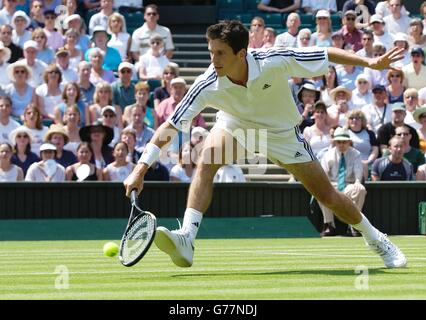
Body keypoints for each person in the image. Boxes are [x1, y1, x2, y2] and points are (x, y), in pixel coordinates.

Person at [124, 20, 407, 269]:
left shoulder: (274, 59)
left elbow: (325, 54)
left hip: (282, 133)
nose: (213, 59)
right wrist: (140, 168)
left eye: (220, 53)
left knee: (328, 196)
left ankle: (376, 238)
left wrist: (369, 62)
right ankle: (187, 237)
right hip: (238, 125)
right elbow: (170, 126)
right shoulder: (207, 82)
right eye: (211, 52)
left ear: (241, 53)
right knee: (207, 161)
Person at [319, 127, 366, 237]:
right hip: (332, 184)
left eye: (344, 142)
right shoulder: (327, 155)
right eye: (339, 142)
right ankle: (329, 224)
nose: (341, 144)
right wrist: (327, 186)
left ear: (349, 142)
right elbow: (324, 173)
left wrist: (358, 182)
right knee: (321, 190)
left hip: (349, 185)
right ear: (335, 142)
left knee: (361, 189)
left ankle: (354, 224)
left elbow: (358, 172)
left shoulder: (356, 154)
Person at [346, 109, 379, 180]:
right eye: (351, 118)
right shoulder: (345, 133)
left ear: (362, 121)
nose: (354, 120)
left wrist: (368, 161)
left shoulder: (370, 133)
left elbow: (375, 149)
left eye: (357, 118)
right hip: (349, 163)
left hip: (367, 163)